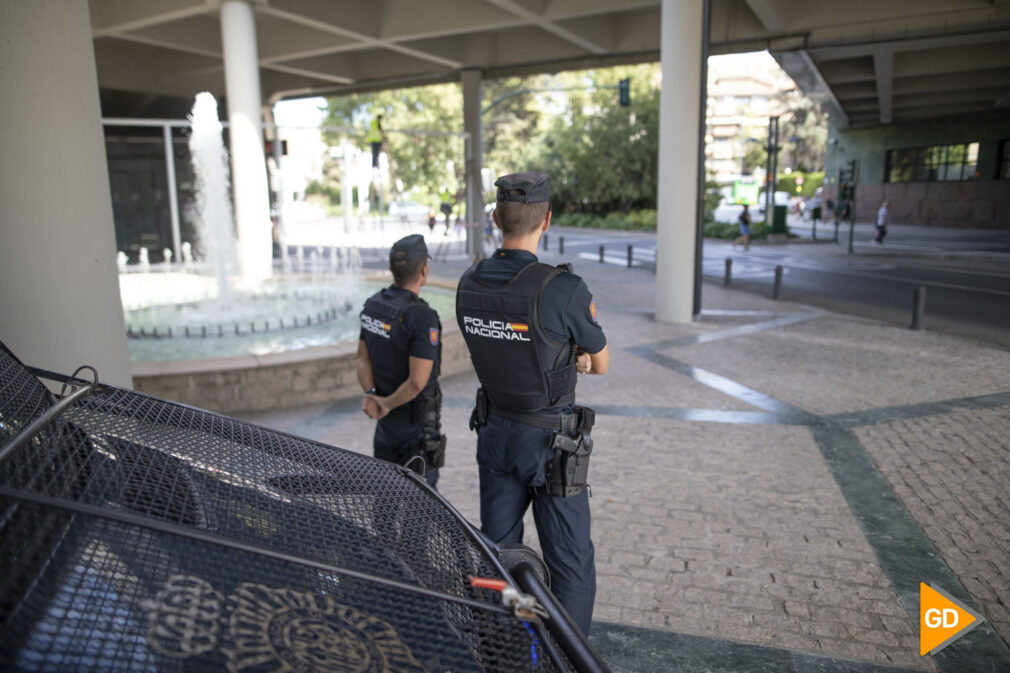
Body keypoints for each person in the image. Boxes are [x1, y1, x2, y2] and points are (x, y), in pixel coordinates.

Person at [456, 171, 610, 635]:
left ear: (497, 218)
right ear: (547, 220)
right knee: (570, 564)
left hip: (496, 434)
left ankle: (511, 642)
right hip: (551, 447)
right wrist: (577, 361)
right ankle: (565, 658)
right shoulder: (562, 289)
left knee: (499, 555)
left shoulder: (469, 281)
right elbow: (600, 362)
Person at [357, 234, 445, 488]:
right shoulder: (421, 316)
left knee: (384, 504)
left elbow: (362, 360)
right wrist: (385, 404)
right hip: (415, 432)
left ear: (392, 269)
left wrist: (372, 395)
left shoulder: (373, 305)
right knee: (419, 512)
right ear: (424, 269)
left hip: (386, 431)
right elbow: (417, 383)